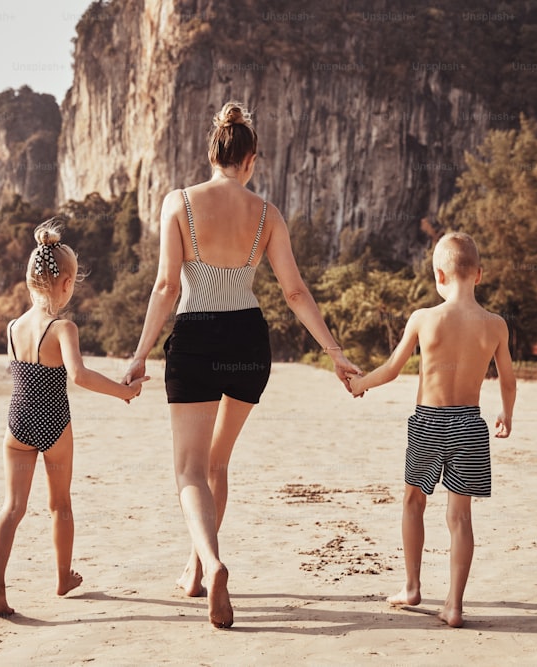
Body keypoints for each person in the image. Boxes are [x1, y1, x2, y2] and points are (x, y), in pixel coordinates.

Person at [122, 102, 361, 628]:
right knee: (217, 463)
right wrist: (336, 355)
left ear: (213, 154)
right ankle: (194, 572)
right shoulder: (267, 214)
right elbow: (294, 292)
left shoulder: (177, 204)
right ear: (250, 160)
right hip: (249, 342)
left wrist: (140, 355)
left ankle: (208, 563)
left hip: (196, 337)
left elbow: (165, 287)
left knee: (188, 468)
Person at [348, 231, 516, 628]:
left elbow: (391, 369)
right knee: (460, 517)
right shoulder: (495, 325)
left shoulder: (424, 318)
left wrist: (359, 384)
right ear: (479, 275)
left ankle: (411, 586)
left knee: (413, 503)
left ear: (439, 275)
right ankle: (454, 606)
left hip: (429, 422)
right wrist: (506, 414)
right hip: (469, 425)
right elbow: (508, 379)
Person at [0, 219, 149, 618]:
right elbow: (78, 376)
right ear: (66, 283)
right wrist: (124, 392)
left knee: (12, 507)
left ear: (29, 280)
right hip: (54, 423)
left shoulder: (12, 327)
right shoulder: (63, 327)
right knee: (60, 504)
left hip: (17, 422)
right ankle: (62, 577)